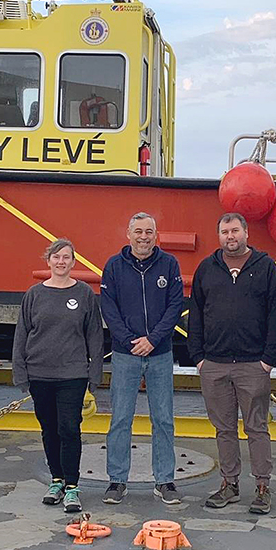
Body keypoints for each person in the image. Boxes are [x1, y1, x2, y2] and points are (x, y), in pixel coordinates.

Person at [188, 212, 276, 514]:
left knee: (256, 427)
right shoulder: (207, 268)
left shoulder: (266, 268)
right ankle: (229, 483)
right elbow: (196, 315)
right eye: (224, 232)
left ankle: (262, 486)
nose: (230, 237)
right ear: (218, 236)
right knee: (224, 428)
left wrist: (268, 360)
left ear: (246, 233)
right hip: (214, 364)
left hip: (252, 365)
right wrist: (199, 358)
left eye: (234, 231)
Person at [11, 238, 104, 513]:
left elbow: (95, 336)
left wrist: (94, 375)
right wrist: (21, 374)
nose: (61, 262)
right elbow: (21, 335)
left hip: (72, 375)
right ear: (48, 261)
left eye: (66, 257)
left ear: (74, 262)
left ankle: (73, 487)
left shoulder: (85, 294)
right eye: (56, 257)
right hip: (39, 374)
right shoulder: (34, 295)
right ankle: (56, 480)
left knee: (69, 429)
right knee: (49, 430)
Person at [100, 212, 186, 505]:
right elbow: (108, 308)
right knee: (120, 418)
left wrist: (153, 339)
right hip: (125, 355)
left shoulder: (169, 264)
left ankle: (164, 480)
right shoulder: (113, 266)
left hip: (160, 354)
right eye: (138, 231)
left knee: (163, 419)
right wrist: (129, 340)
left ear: (155, 235)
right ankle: (117, 480)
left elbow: (175, 305)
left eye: (149, 232)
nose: (144, 237)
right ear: (128, 233)